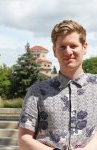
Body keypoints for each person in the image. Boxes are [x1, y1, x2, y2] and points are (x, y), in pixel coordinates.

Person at [18, 20, 97, 150]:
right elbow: (24, 139)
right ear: (54, 51)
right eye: (62, 46)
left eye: (73, 46)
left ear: (84, 47)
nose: (68, 52)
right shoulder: (37, 91)